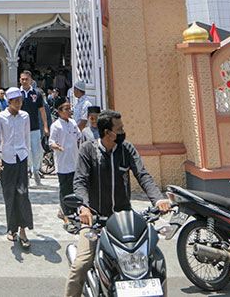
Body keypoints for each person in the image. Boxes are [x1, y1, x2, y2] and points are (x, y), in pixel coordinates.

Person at [64, 110, 171, 297]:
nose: (123, 131)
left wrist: (158, 199)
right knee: (80, 265)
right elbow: (80, 181)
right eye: (119, 128)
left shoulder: (126, 149)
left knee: (153, 260)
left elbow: (142, 174)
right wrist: (84, 207)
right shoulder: (88, 150)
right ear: (108, 133)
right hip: (95, 220)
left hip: (124, 221)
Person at [0, 87, 33, 249]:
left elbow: (27, 138)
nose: (19, 104)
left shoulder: (25, 116)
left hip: (21, 160)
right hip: (7, 161)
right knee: (9, 195)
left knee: (23, 194)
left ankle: (23, 230)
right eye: (16, 102)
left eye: (21, 101)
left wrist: (27, 160)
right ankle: (11, 228)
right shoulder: (1, 118)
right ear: (9, 102)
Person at [48, 102, 81, 220]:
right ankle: (64, 211)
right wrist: (56, 146)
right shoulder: (56, 126)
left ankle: (73, 210)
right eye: (66, 109)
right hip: (62, 161)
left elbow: (78, 136)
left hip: (74, 160)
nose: (69, 111)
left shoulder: (72, 123)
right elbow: (51, 142)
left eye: (69, 109)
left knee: (74, 187)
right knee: (64, 188)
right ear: (59, 111)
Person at [19, 70, 48, 185]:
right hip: (20, 128)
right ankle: (25, 173)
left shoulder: (36, 94)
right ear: (19, 80)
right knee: (24, 151)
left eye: (26, 79)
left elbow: (42, 111)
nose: (24, 81)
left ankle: (35, 170)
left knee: (36, 151)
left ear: (31, 80)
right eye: (22, 79)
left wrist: (45, 126)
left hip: (34, 127)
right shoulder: (17, 93)